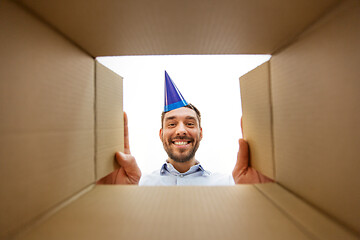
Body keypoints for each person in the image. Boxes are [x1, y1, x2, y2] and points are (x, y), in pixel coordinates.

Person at [97, 72, 273, 185]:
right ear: (161, 134)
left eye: (190, 123)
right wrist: (116, 201)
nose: (181, 130)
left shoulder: (228, 184)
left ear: (201, 133)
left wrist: (254, 201)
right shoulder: (139, 185)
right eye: (171, 124)